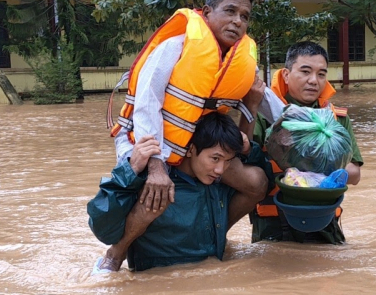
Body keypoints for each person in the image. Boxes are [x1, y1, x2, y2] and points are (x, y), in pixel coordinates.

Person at [100, 0, 271, 271]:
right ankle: (116, 253)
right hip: (145, 139)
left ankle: (216, 233)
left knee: (256, 183)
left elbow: (276, 107)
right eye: (229, 11)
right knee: (159, 192)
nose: (238, 22)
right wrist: (156, 165)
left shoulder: (241, 61)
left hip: (198, 145)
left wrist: (312, 126)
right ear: (207, 13)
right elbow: (146, 106)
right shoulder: (174, 47)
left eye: (244, 16)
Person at [89, 112, 267, 272]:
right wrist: (131, 169)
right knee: (156, 199)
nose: (221, 169)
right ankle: (114, 256)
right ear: (191, 150)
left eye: (227, 161)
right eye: (215, 159)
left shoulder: (217, 181)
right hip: (157, 279)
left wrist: (249, 149)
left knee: (255, 179)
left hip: (211, 271)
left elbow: (264, 179)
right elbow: (102, 228)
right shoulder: (153, 180)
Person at [242, 41, 364, 244]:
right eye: (305, 72)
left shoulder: (335, 119)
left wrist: (307, 169)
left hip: (325, 224)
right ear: (286, 75)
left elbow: (354, 174)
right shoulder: (263, 116)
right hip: (272, 226)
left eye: (321, 74)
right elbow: (244, 162)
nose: (314, 81)